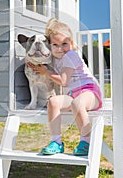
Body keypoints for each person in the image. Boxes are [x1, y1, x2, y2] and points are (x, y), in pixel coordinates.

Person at [31, 18, 102, 156]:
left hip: (90, 92)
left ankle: (86, 141)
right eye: (55, 45)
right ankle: (56, 142)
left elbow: (63, 81)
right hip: (73, 94)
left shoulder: (71, 55)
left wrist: (46, 72)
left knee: (77, 103)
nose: (60, 48)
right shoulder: (56, 58)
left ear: (72, 43)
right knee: (53, 101)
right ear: (50, 46)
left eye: (64, 43)